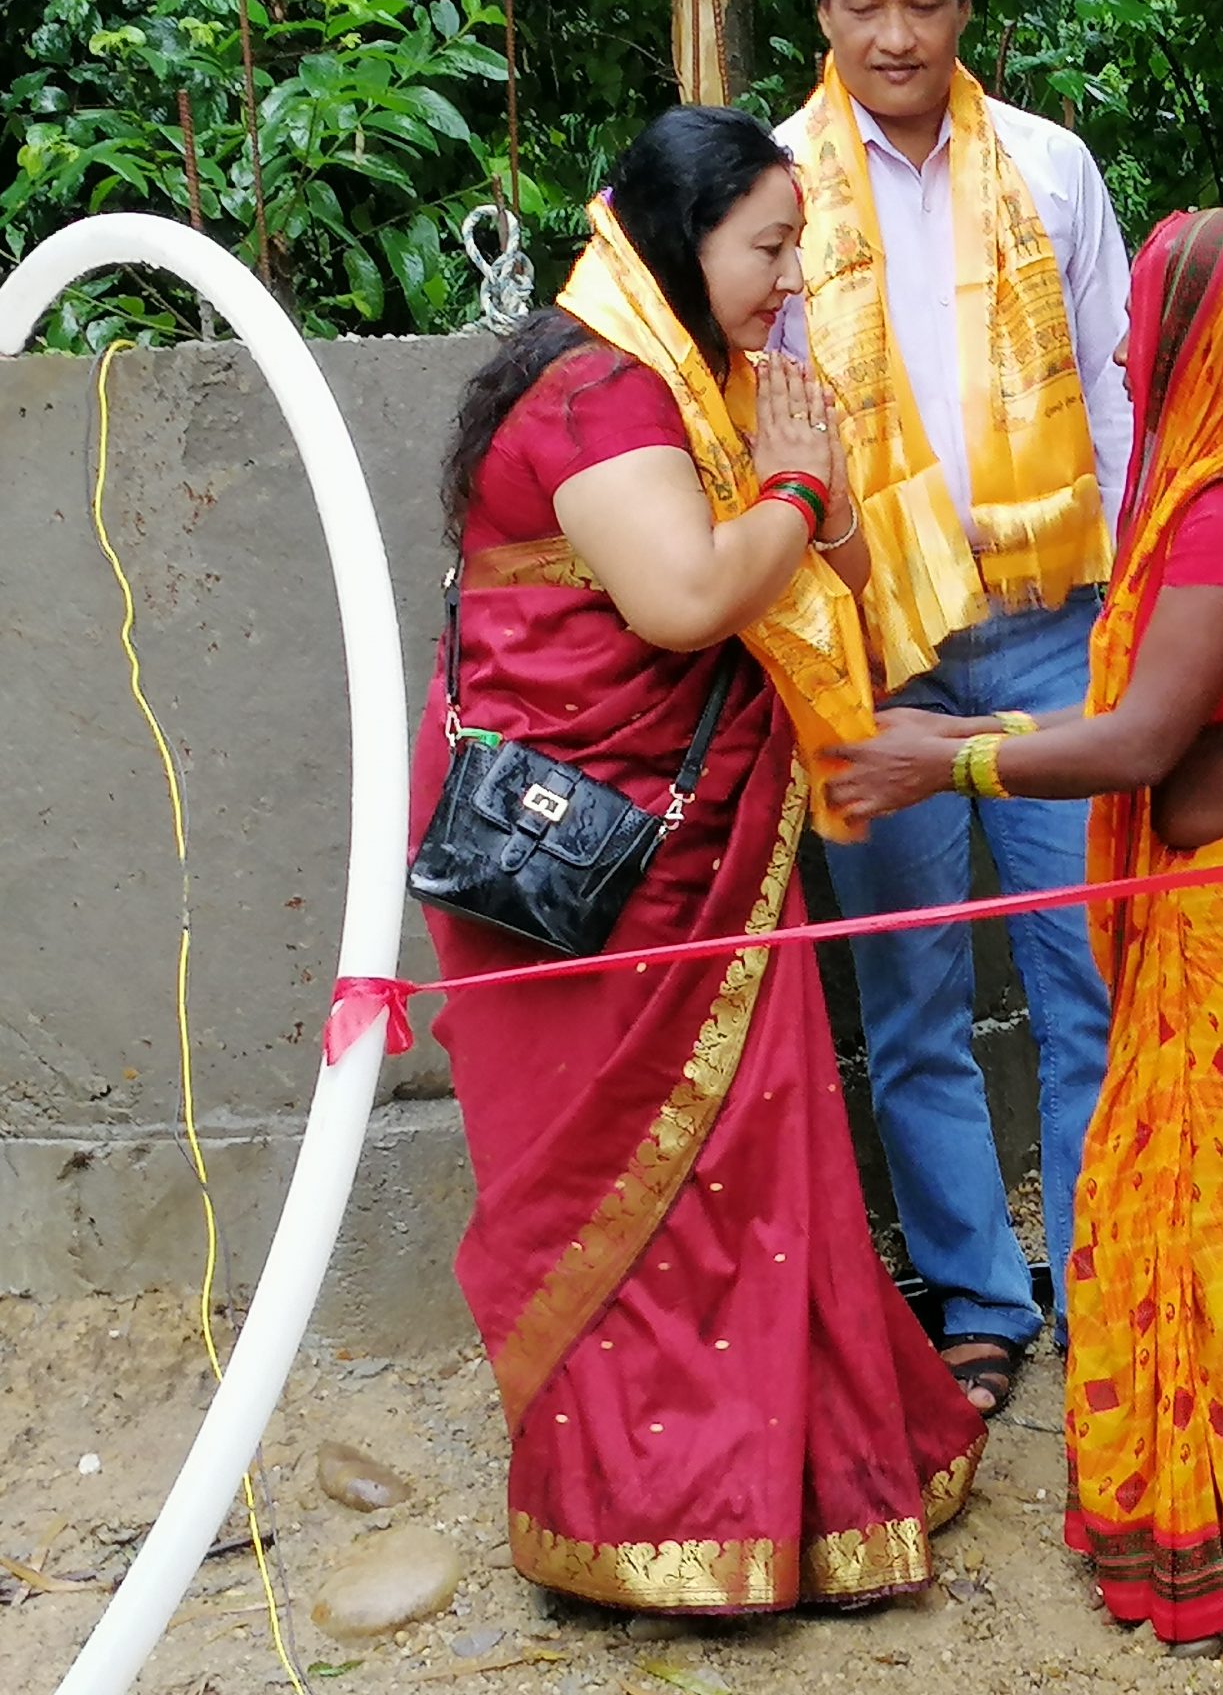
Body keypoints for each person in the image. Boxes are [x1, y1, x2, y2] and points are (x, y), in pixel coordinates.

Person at [828, 208, 1223, 1685]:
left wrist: (955, 765)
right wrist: (974, 727)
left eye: (1144, 322)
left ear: (1210, 338)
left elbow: (1143, 739)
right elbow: (1162, 720)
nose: (1118, 344)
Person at [411, 105, 983, 1612]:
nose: (788, 282)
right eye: (769, 248)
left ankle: (792, 1495)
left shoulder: (713, 385)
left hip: (702, 832)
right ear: (682, 237)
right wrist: (793, 495)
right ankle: (643, 1515)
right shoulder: (599, 396)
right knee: (632, 1186)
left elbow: (841, 564)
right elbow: (679, 600)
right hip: (587, 853)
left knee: (754, 1162)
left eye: (796, 249)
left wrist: (814, 499)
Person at [778, 0, 1132, 1414]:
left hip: (1053, 631)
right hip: (872, 644)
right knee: (910, 992)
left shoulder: (1050, 171)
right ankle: (979, 1299)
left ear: (964, 8)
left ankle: (1108, 1278)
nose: (898, 29)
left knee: (1085, 973)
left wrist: (1126, 603)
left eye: (924, 1)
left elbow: (1114, 399)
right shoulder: (775, 186)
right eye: (867, 2)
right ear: (824, 17)